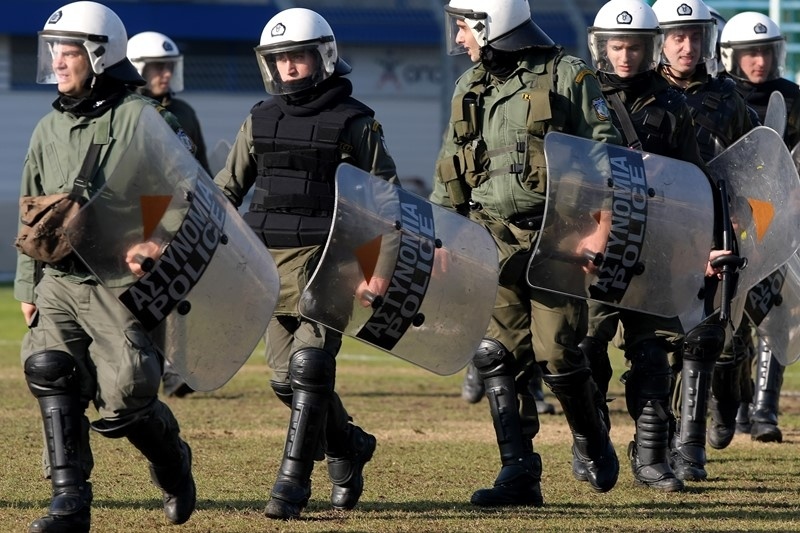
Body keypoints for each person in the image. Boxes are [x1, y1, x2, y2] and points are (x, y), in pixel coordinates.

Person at [431, 0, 622, 507]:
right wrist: (440, 234)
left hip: (559, 238)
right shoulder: (469, 85)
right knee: (497, 356)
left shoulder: (567, 75)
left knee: (557, 352)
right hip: (491, 238)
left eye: (463, 27)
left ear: (490, 23)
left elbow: (606, 156)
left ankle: (591, 437)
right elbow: (450, 163)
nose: (458, 39)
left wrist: (598, 231)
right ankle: (519, 472)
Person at [15, 2, 197, 532]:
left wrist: (154, 239)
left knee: (126, 400)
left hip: (118, 287)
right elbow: (31, 210)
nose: (58, 62)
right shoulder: (47, 128)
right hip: (57, 281)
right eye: (53, 51)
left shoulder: (141, 116)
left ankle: (172, 462)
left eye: (67, 51)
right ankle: (69, 502)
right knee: (50, 371)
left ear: (99, 55)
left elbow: (181, 191)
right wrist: (28, 284)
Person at [213, 8, 397, 520]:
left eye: (297, 57)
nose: (288, 68)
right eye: (279, 60)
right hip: (267, 264)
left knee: (310, 367)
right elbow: (227, 190)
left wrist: (375, 268)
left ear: (324, 57)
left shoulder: (355, 121)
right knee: (283, 381)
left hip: (328, 262)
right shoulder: (259, 117)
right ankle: (348, 446)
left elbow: (382, 203)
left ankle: (290, 486)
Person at [580, 0, 714, 493]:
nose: (626, 55)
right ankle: (591, 440)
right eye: (618, 45)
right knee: (584, 348)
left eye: (636, 45)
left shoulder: (673, 105)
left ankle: (652, 455)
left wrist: (702, 246)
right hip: (595, 247)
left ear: (649, 46)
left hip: (655, 247)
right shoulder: (580, 95)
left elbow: (697, 180)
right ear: (603, 45)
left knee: (652, 353)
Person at [652, 0, 760, 481]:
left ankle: (693, 441)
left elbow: (755, 170)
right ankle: (663, 440)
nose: (687, 45)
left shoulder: (729, 99)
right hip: (658, 237)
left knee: (711, 341)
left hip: (716, 237)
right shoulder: (641, 94)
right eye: (677, 35)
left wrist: (747, 234)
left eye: (695, 35)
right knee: (661, 343)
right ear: (660, 38)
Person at [719, 11, 798, 444]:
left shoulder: (793, 97)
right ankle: (738, 405)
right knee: (732, 318)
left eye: (765, 52)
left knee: (775, 310)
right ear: (732, 56)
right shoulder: (720, 96)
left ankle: (766, 410)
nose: (759, 62)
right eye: (750, 53)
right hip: (730, 218)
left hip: (779, 217)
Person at [127, 30, 211, 399]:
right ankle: (138, 369)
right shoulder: (124, 112)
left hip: (177, 220)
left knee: (177, 296)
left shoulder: (185, 113)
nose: (164, 74)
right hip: (132, 220)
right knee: (135, 299)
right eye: (156, 67)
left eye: (168, 67)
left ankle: (176, 373)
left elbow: (201, 170)